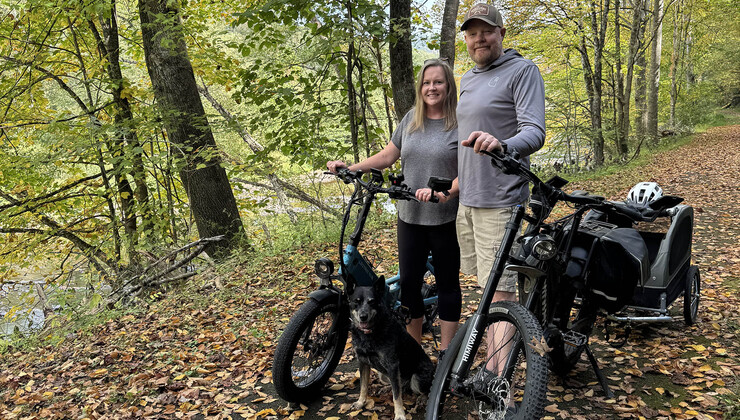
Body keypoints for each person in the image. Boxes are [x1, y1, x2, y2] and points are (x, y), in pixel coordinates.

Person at [327, 58, 461, 353]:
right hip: (410, 216)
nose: (431, 87)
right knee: (410, 288)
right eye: (426, 83)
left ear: (448, 85)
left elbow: (469, 172)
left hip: (445, 218)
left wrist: (447, 193)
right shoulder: (412, 119)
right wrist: (352, 167)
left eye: (438, 82)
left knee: (448, 286)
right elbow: (388, 156)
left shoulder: (459, 122)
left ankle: (447, 355)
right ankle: (413, 354)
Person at [456, 3, 546, 372]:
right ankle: (493, 367)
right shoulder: (468, 78)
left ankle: (497, 386)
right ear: (466, 39)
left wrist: (504, 144)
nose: (480, 38)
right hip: (468, 199)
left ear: (501, 34)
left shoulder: (521, 70)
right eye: (472, 32)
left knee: (503, 293)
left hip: (500, 198)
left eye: (487, 31)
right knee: (485, 288)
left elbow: (534, 131)